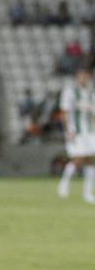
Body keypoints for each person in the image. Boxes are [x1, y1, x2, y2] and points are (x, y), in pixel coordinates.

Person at [57, 66, 95, 203]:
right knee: (78, 160)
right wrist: (68, 130)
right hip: (75, 131)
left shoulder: (92, 93)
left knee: (91, 160)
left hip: (90, 132)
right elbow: (64, 112)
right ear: (78, 77)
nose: (84, 78)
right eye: (81, 76)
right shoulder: (71, 92)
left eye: (86, 76)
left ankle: (88, 193)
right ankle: (64, 183)